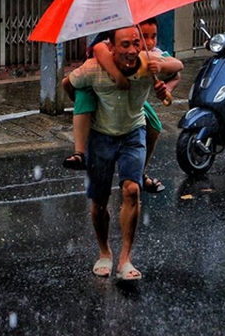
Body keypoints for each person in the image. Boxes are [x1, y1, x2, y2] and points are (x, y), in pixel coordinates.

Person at [62, 25, 169, 281]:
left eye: (136, 43)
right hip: (100, 136)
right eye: (124, 45)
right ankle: (104, 252)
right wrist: (84, 101)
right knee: (99, 202)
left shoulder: (147, 64)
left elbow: (175, 65)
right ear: (110, 47)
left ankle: (125, 259)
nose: (132, 50)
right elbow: (68, 84)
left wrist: (165, 85)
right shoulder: (93, 69)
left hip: (133, 133)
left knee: (132, 190)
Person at [63, 17, 183, 193]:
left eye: (153, 36)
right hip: (98, 89)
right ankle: (79, 153)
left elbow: (177, 68)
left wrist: (165, 87)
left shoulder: (151, 55)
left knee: (155, 127)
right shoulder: (113, 46)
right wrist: (117, 76)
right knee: (84, 103)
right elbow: (99, 49)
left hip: (132, 103)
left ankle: (139, 171)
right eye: (144, 37)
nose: (148, 43)